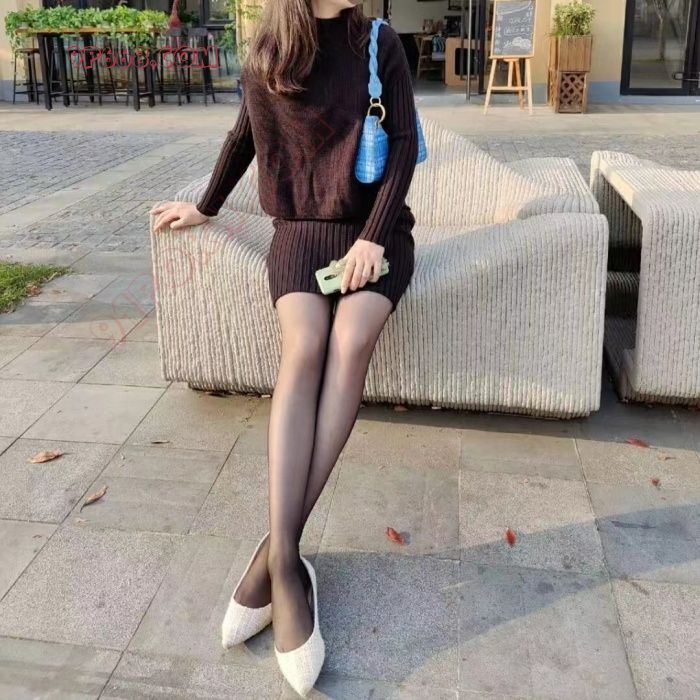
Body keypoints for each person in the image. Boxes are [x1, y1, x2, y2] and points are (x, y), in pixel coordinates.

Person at [150, 0, 418, 695]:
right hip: (299, 235)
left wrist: (372, 240)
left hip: (377, 235)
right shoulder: (269, 50)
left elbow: (403, 148)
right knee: (303, 347)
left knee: (351, 340)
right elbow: (245, 134)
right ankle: (290, 570)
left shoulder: (378, 41)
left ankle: (277, 558)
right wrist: (205, 204)